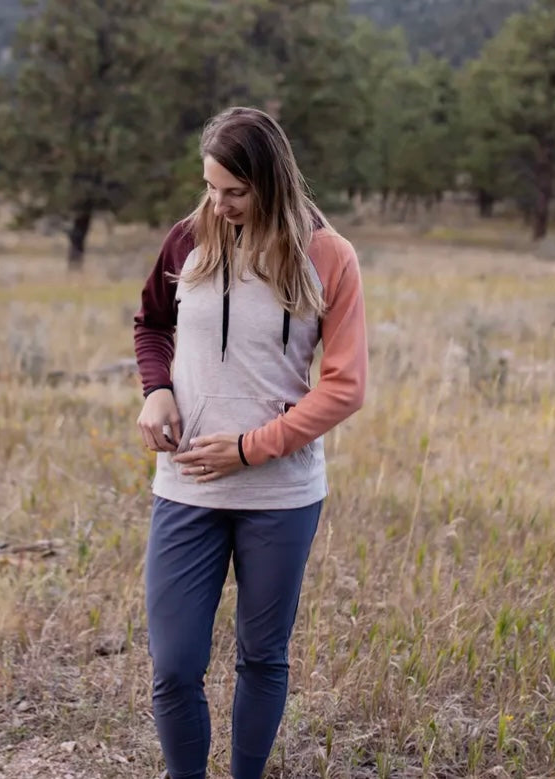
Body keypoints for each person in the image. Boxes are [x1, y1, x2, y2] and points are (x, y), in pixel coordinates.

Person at [134, 106, 368, 779]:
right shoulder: (188, 238)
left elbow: (345, 385)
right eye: (211, 187)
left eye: (234, 191)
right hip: (186, 486)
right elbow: (150, 323)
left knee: (261, 656)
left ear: (271, 181)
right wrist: (157, 390)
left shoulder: (329, 255)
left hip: (281, 492)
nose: (219, 203)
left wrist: (250, 447)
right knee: (174, 663)